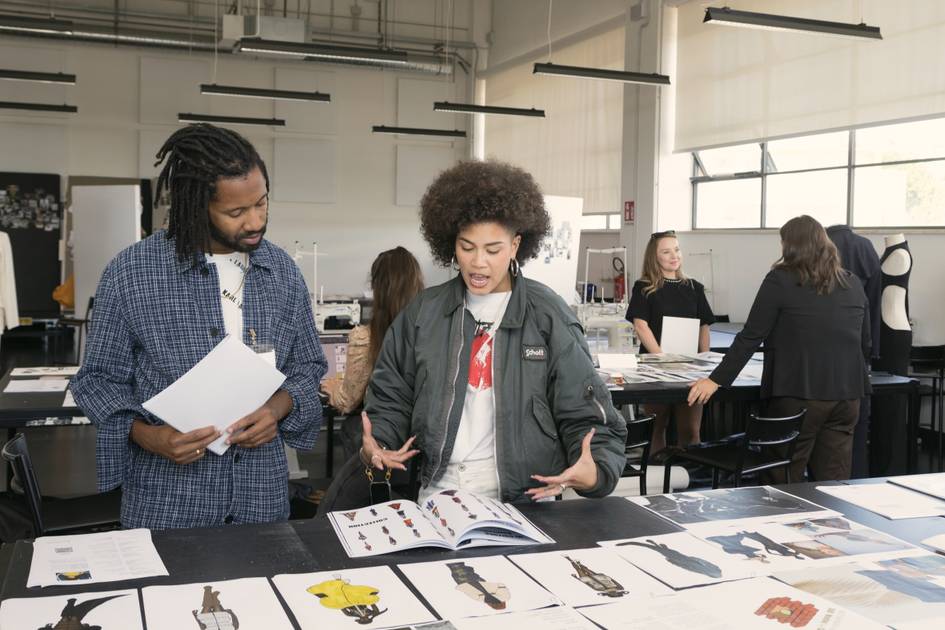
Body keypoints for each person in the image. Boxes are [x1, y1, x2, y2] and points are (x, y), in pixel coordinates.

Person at [71, 123, 326, 529]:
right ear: (196, 207)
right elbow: (97, 381)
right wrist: (150, 437)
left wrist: (277, 410)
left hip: (260, 499)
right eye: (236, 212)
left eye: (262, 203)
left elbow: (308, 367)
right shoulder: (133, 273)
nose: (255, 221)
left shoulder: (281, 272)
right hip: (169, 503)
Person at [359, 160, 627, 502]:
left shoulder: (548, 315)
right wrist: (378, 443)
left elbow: (588, 415)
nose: (477, 262)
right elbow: (391, 396)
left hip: (526, 502)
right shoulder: (424, 313)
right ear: (450, 244)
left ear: (516, 246)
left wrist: (597, 470)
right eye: (466, 247)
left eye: (492, 249)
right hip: (438, 495)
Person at [689, 215, 870, 483]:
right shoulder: (851, 282)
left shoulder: (780, 280)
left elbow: (751, 336)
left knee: (783, 476)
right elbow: (863, 341)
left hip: (799, 394)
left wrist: (716, 380)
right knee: (833, 482)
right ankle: (831, 524)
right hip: (847, 397)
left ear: (791, 246)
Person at [625, 230, 714, 459]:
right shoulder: (644, 287)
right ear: (655, 257)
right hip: (656, 369)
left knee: (691, 431)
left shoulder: (694, 287)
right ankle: (656, 478)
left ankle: (690, 477)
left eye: (676, 249)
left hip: (690, 371)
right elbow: (641, 325)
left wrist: (705, 360)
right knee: (657, 427)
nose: (674, 255)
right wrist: (662, 358)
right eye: (666, 251)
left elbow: (704, 326)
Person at [320, 246, 424, 413]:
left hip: (378, 431)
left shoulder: (365, 338)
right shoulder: (430, 332)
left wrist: (333, 387)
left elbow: (347, 401)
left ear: (377, 288)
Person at [827, 224, 881, 479]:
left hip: (823, 358)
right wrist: (869, 352)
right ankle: (857, 478)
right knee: (855, 428)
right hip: (857, 355)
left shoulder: (823, 244)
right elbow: (873, 302)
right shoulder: (866, 247)